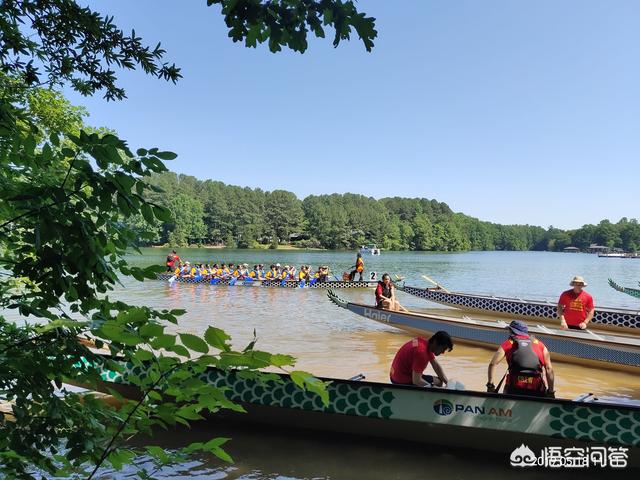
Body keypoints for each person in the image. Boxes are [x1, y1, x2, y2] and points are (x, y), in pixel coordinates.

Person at [487, 320, 555, 398]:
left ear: (512, 331)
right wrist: (551, 392)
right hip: (537, 390)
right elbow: (549, 369)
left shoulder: (509, 343)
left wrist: (490, 385)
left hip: (513, 389)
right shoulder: (540, 345)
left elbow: (493, 364)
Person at [389, 331, 454, 387]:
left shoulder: (423, 343)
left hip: (394, 376)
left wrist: (447, 383)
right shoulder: (421, 353)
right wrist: (434, 388)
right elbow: (417, 381)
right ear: (435, 342)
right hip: (399, 381)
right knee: (438, 382)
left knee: (439, 381)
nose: (443, 352)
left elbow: (436, 365)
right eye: (443, 348)